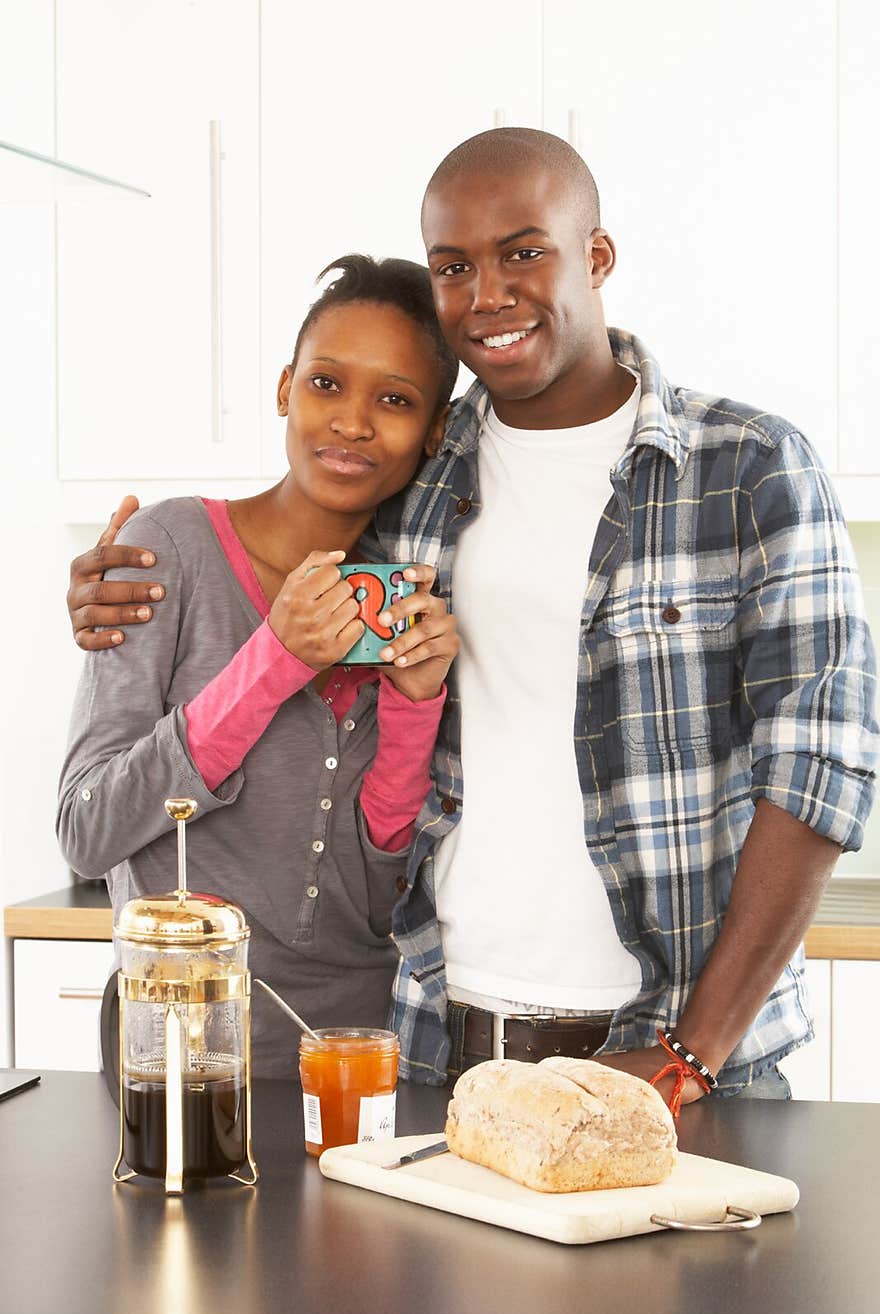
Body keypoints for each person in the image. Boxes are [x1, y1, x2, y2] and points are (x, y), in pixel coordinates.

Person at [65, 129, 878, 1105]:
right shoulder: (417, 473)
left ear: (597, 255)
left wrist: (691, 1055)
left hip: (673, 1061)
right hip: (436, 1050)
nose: (487, 293)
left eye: (522, 251)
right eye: (454, 266)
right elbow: (278, 543)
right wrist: (122, 577)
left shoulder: (747, 466)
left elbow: (821, 765)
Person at [57, 254, 460, 1078]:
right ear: (284, 388)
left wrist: (416, 708)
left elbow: (382, 887)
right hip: (176, 1045)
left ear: (434, 432)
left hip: (359, 1055)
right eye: (326, 384)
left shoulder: (402, 596)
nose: (352, 422)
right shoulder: (167, 549)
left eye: (394, 400)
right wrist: (273, 660)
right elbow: (86, 828)